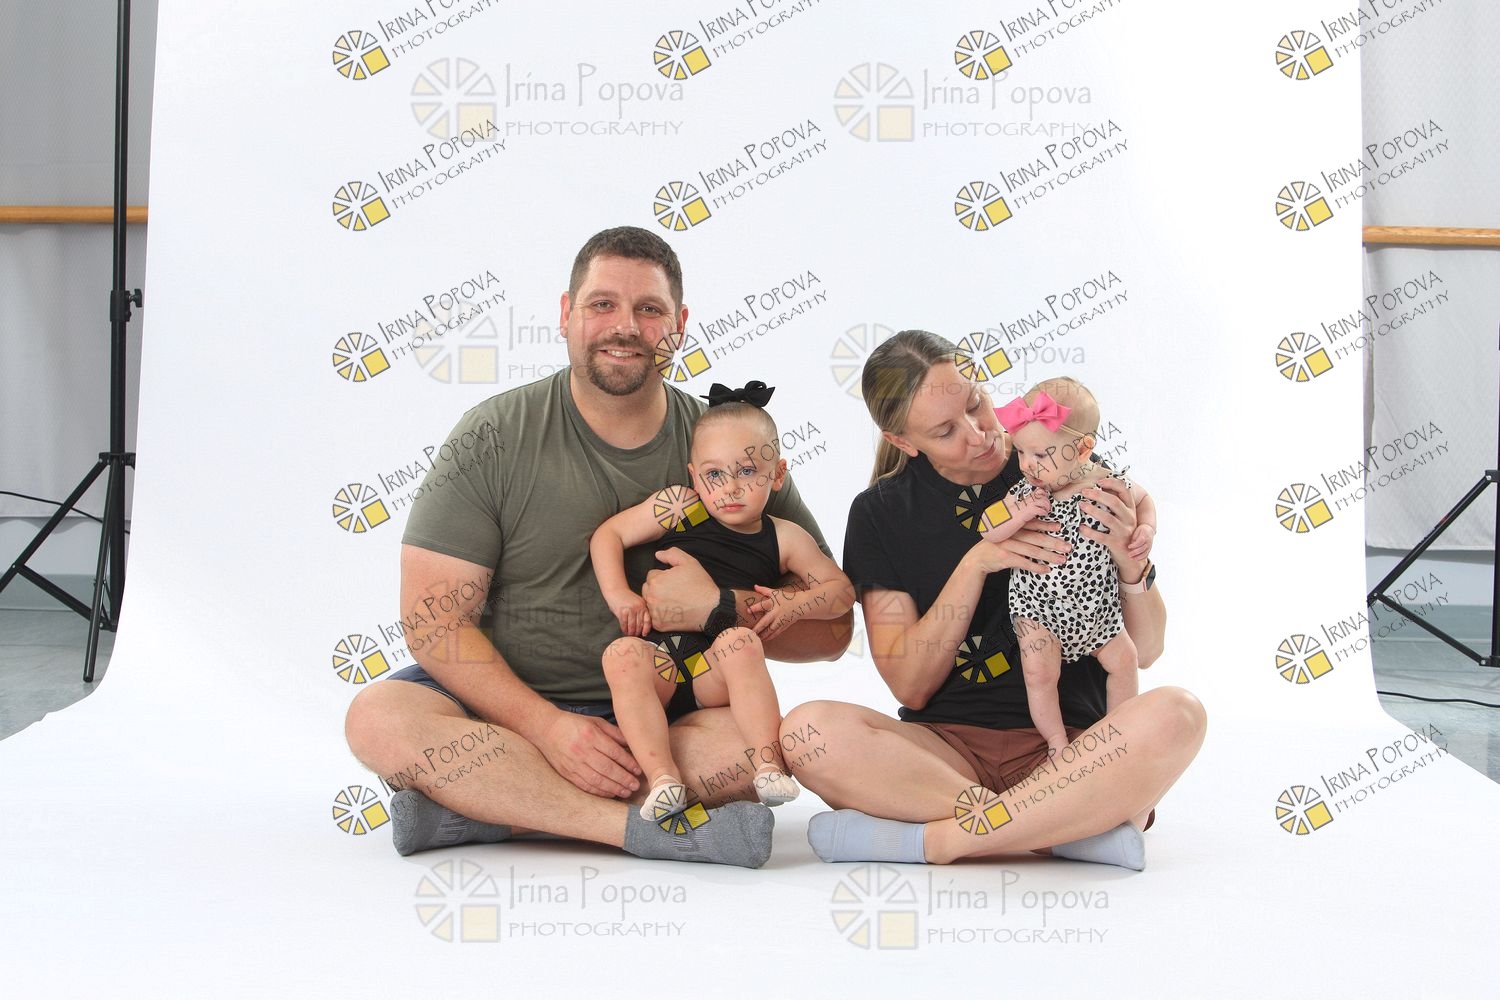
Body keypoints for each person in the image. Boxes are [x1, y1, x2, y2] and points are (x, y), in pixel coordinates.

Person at [342, 226, 850, 869]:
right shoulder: (493, 434)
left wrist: (718, 607)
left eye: (650, 309)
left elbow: (831, 630)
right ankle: (634, 828)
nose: (626, 326)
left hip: (663, 713)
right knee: (378, 718)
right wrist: (548, 728)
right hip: (502, 712)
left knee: (765, 751)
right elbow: (432, 623)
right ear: (566, 313)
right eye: (602, 304)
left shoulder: (729, 446)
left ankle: (483, 808)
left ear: (680, 326)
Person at [782, 330, 1204, 871]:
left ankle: (937, 841)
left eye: (976, 404)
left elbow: (1146, 650)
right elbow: (911, 683)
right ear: (903, 442)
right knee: (807, 733)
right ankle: (1063, 831)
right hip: (944, 757)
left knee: (1180, 714)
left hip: (1073, 752)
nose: (980, 434)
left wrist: (1131, 563)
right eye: (945, 431)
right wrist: (977, 562)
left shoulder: (1054, 460)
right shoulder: (880, 514)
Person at [590, 383, 855, 823]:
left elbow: (841, 592)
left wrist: (796, 605)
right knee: (620, 656)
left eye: (747, 471)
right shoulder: (680, 506)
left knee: (740, 643)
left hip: (710, 673)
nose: (730, 488)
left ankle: (768, 766)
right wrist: (620, 595)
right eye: (714, 475)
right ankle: (663, 780)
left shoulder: (783, 536)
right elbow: (609, 535)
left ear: (778, 475)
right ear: (695, 476)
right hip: (662, 665)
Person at [997, 376, 1158, 755]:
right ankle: (1056, 741)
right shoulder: (1027, 492)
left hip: (1096, 609)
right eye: (1020, 453)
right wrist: (1019, 516)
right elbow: (990, 530)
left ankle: (1117, 736)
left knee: (1125, 660)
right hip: (1039, 609)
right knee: (1039, 673)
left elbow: (1144, 499)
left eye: (1041, 455)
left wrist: (1146, 529)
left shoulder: (1107, 482)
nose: (1027, 465)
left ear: (1083, 449)